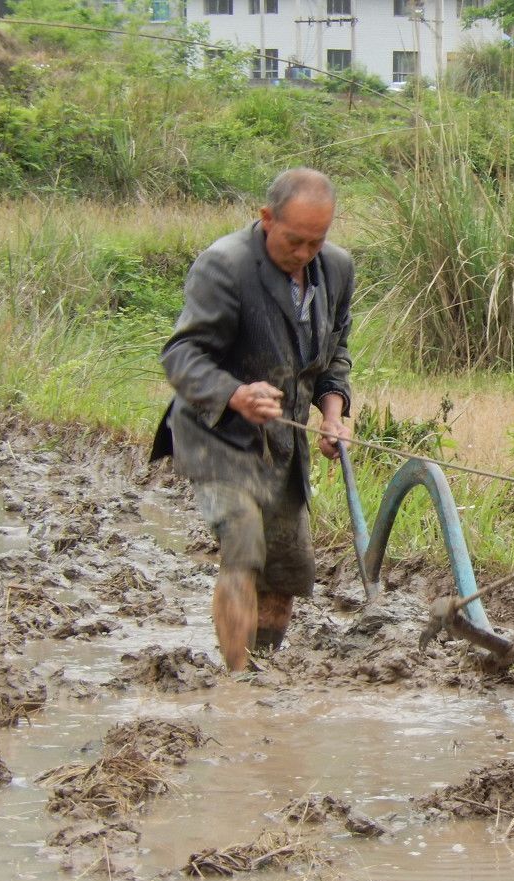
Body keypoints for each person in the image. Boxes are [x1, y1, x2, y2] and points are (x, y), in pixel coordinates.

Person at [151, 167, 354, 671]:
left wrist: (333, 415)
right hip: (219, 434)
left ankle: (263, 665)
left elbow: (334, 356)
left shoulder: (337, 269)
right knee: (243, 542)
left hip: (283, 439)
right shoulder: (225, 266)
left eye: (317, 241)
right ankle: (236, 683)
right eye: (293, 240)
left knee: (287, 568)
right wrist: (235, 393)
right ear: (266, 219)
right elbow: (182, 355)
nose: (304, 253)